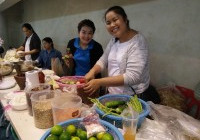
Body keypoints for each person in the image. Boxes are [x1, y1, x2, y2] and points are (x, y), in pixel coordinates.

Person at [84, 6, 160, 103]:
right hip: (113, 94)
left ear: (125, 19)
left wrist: (99, 82)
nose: (112, 25)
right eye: (108, 23)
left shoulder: (138, 42)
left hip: (133, 97)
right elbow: (103, 60)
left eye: (115, 20)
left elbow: (132, 76)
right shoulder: (114, 40)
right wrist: (92, 71)